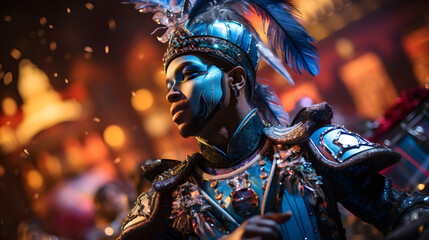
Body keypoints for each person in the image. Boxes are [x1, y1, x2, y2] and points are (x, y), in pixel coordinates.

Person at [118, 1, 429, 239]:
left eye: (187, 75)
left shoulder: (314, 148)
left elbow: (404, 212)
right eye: (169, 85)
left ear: (236, 79)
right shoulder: (168, 199)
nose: (172, 94)